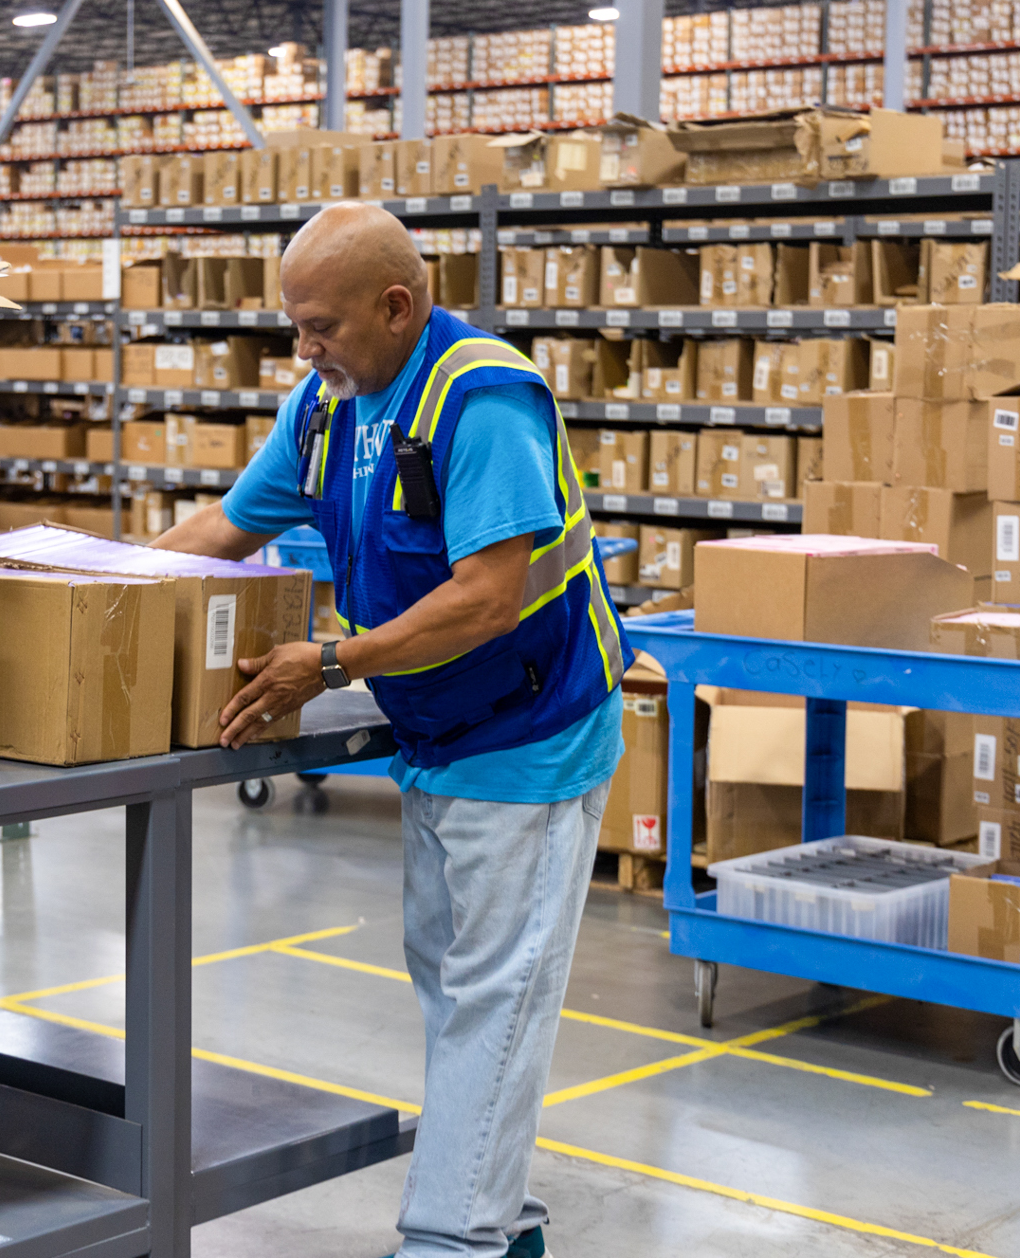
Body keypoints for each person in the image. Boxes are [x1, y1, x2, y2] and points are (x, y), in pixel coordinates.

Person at [153, 202, 628, 1258]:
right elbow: (226, 528)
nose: (300, 348)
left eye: (317, 325)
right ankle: (502, 1214)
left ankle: (451, 1240)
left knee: (491, 997)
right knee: (453, 983)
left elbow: (486, 600)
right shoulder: (327, 408)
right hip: (434, 728)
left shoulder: (482, 400)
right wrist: (101, 582)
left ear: (396, 306)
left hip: (531, 729)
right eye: (293, 325)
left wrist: (326, 661)